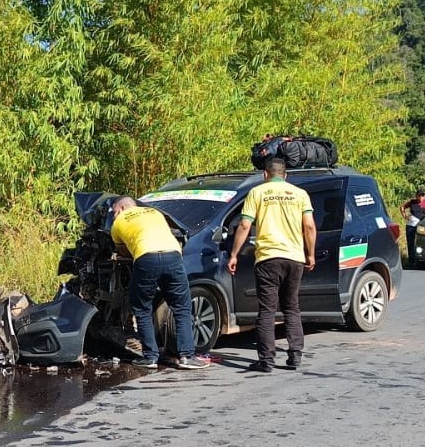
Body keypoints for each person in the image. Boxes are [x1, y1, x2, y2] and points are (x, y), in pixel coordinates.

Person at [228, 158, 317, 372]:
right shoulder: (300, 194)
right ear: (285, 175)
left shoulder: (257, 193)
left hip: (268, 258)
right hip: (294, 258)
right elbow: (310, 226)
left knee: (267, 310)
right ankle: (295, 355)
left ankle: (266, 360)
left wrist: (234, 254)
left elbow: (244, 225)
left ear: (265, 175)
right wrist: (310, 254)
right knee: (292, 307)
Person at [110, 197, 210, 370]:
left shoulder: (119, 222)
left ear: (122, 208)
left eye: (114, 211)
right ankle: (187, 356)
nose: (113, 215)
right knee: (182, 307)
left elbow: (122, 250)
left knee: (142, 308)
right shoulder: (155, 212)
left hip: (146, 258)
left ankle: (150, 357)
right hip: (173, 256)